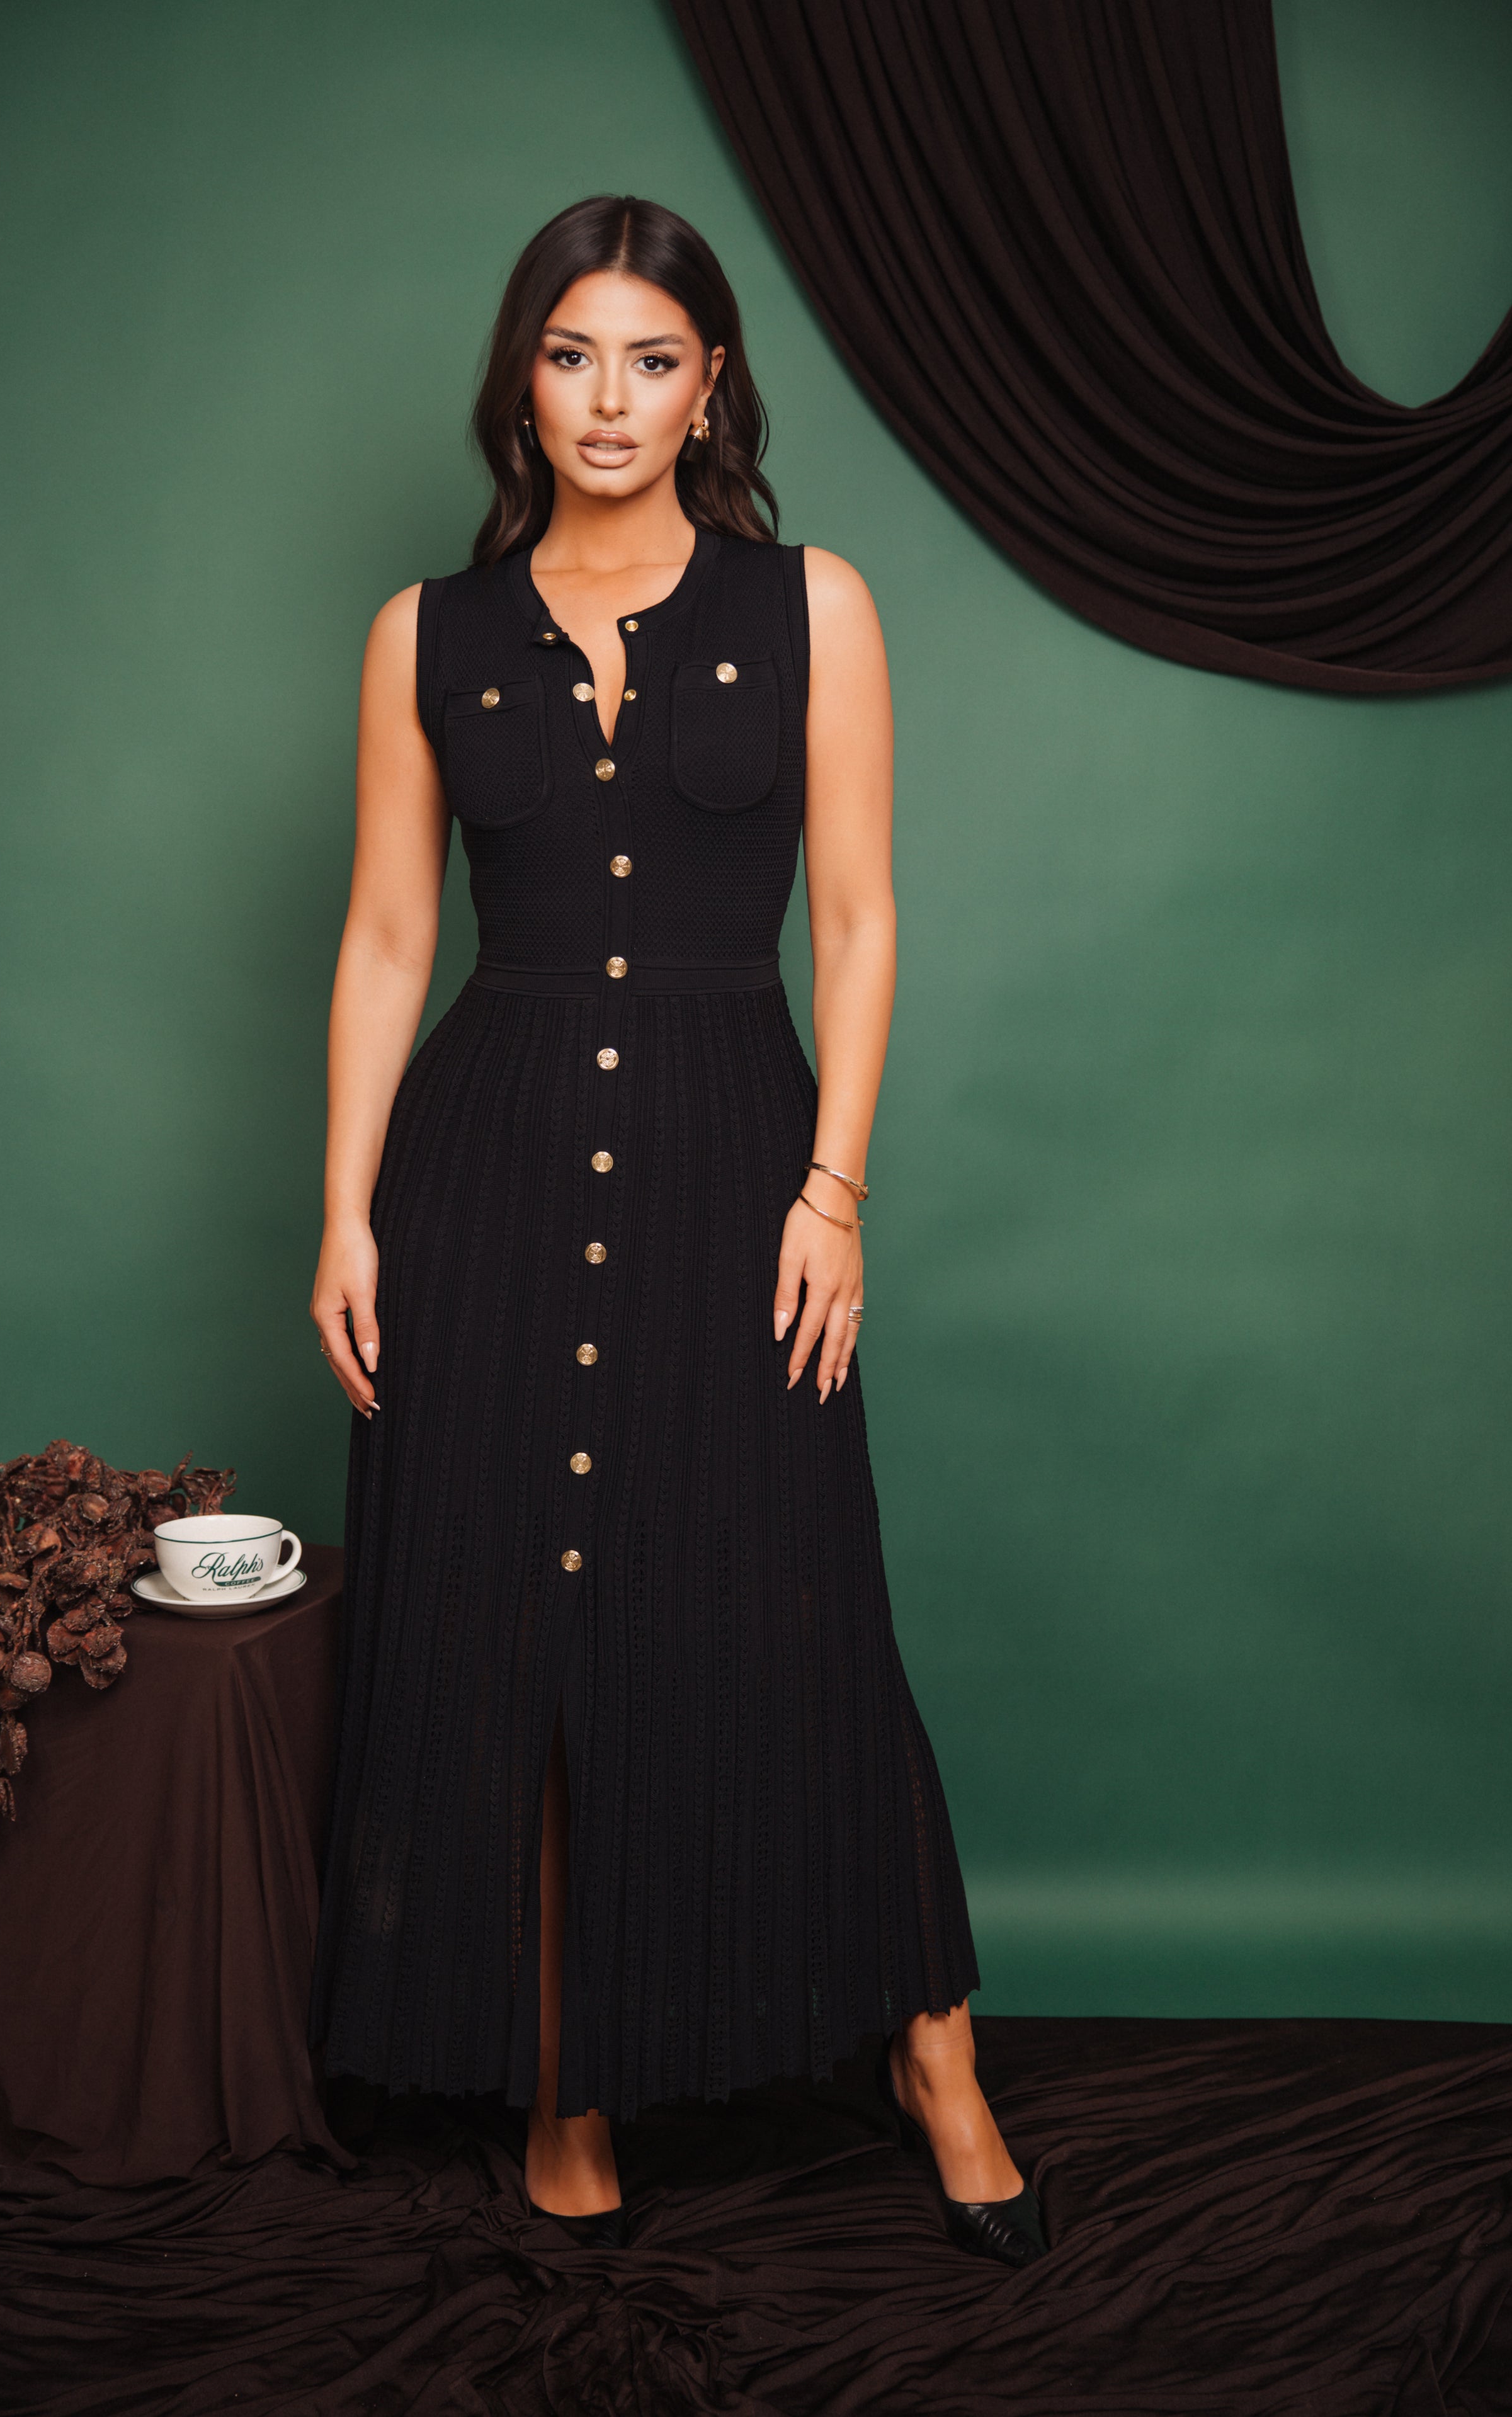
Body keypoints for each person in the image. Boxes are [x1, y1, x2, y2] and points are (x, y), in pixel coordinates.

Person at [308, 194, 1046, 2266]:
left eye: (650, 357)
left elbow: (867, 916)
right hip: (491, 1167)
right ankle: (565, 2084)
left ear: (712, 378)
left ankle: (933, 2051)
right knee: (522, 1629)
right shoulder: (422, 637)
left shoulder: (818, 605)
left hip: (746, 1159)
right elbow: (384, 939)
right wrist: (346, 1213)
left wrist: (839, 1190)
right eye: (569, 354)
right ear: (518, 380)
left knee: (796, 1594)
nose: (608, 398)